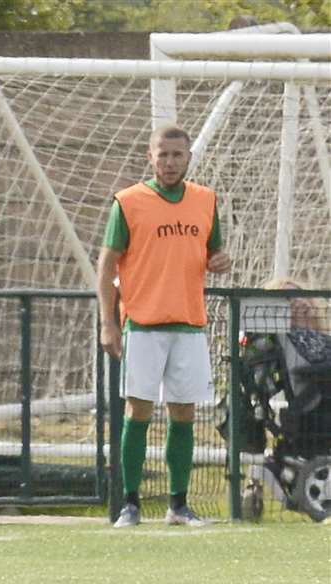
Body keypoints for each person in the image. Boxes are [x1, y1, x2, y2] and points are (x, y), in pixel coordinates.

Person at [97, 124, 231, 528]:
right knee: (138, 410)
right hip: (142, 323)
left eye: (177, 155)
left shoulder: (206, 200)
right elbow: (106, 266)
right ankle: (130, 504)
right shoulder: (129, 201)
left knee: (184, 413)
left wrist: (218, 261)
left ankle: (178, 505)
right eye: (163, 154)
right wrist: (108, 323)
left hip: (189, 323)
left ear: (188, 157)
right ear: (149, 156)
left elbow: (213, 253)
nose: (170, 162)